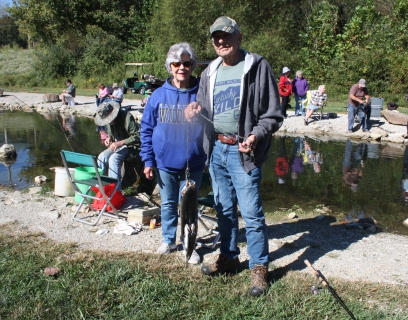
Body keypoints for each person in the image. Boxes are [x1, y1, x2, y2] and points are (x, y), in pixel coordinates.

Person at [184, 16, 283, 297]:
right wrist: (194, 110)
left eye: (226, 36)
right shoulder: (209, 71)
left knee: (251, 214)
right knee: (223, 209)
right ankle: (228, 258)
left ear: (239, 37)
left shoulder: (258, 67)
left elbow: (273, 114)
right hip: (216, 150)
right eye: (216, 37)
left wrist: (255, 136)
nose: (221, 42)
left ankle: (259, 268)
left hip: (244, 152)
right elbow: (202, 107)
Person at [140, 42, 205, 265]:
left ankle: (190, 244)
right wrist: (148, 160)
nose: (182, 68)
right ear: (170, 66)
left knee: (189, 206)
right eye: (177, 63)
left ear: (192, 66)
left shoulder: (202, 93)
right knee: (168, 204)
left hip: (194, 162)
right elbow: (146, 129)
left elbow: (213, 125)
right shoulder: (157, 95)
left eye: (187, 63)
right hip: (164, 162)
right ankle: (169, 240)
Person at [94, 101, 140, 189]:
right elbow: (111, 134)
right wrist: (109, 138)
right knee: (101, 157)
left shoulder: (127, 117)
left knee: (113, 159)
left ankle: (115, 189)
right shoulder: (108, 121)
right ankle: (99, 185)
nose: (108, 121)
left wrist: (119, 143)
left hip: (131, 146)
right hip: (118, 145)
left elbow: (137, 136)